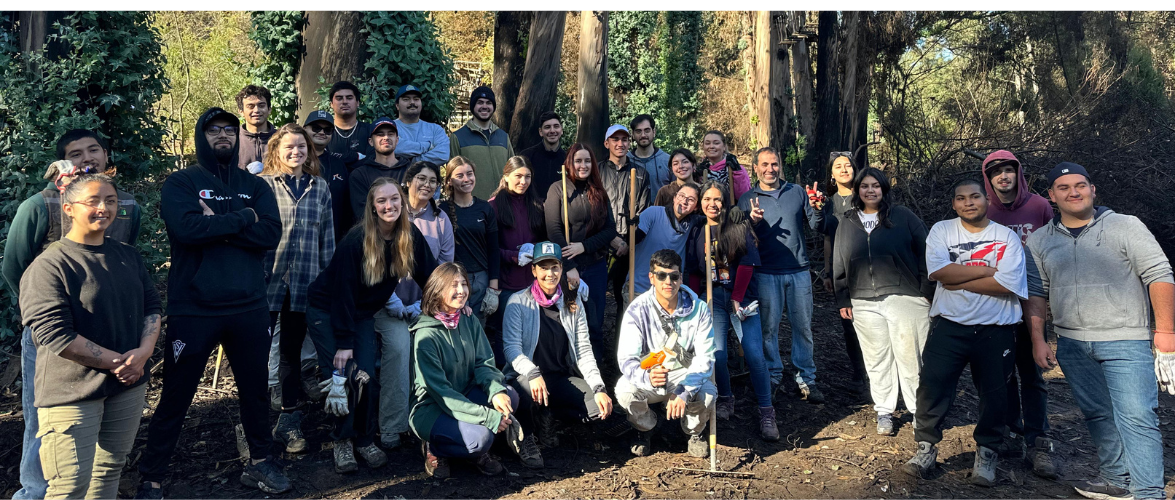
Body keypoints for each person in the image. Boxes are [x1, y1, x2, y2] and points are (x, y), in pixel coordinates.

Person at [137, 107, 289, 497]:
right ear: (200, 136)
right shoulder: (181, 182)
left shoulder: (254, 185)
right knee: (175, 395)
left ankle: (260, 462)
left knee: (255, 390)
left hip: (249, 305)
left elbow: (270, 233)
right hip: (194, 308)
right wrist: (243, 219)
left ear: (236, 136)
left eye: (228, 129)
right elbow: (186, 229)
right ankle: (152, 477)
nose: (222, 135)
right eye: (213, 130)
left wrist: (217, 225)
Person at [3, 129, 142, 500]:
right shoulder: (40, 205)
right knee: (43, 427)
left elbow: (130, 264)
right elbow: (15, 267)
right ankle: (36, 492)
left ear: (106, 154)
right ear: (65, 163)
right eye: (76, 153)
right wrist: (43, 314)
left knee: (103, 446)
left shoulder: (126, 205)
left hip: (112, 337)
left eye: (94, 149)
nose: (87, 157)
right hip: (54, 340)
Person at [1026, 163, 1173, 500]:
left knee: (1137, 416)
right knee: (1098, 414)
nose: (1073, 192)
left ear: (1093, 190)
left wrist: (1166, 333)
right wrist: (1038, 339)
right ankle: (1117, 481)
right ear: (1051, 196)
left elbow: (1159, 275)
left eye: (1080, 185)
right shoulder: (1040, 240)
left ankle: (1149, 492)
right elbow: (1037, 293)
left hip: (1126, 339)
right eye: (1063, 187)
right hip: (1073, 344)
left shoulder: (1125, 226)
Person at [304, 177, 439, 473]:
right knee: (345, 377)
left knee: (367, 377)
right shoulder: (356, 241)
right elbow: (343, 295)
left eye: (394, 199)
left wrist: (452, 300)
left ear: (403, 203)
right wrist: (343, 343)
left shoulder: (408, 235)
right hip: (327, 311)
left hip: (362, 313)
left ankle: (365, 439)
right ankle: (342, 440)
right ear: (373, 207)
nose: (389, 205)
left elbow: (430, 276)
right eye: (382, 201)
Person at [902, 178, 1027, 487]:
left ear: (987, 200)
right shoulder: (942, 231)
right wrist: (986, 270)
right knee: (933, 387)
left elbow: (1007, 284)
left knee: (995, 394)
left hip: (996, 328)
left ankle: (986, 453)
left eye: (974, 197)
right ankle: (926, 448)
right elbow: (939, 273)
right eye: (961, 198)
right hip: (949, 325)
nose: (968, 202)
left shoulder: (1006, 237)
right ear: (954, 204)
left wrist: (957, 279)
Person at [410, 262, 541, 477]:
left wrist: (496, 390)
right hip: (433, 407)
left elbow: (484, 362)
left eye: (464, 284)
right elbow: (442, 393)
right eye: (454, 285)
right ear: (437, 290)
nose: (461, 291)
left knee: (510, 397)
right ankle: (435, 447)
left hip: (466, 393)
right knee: (481, 440)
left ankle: (468, 444)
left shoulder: (468, 319)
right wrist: (487, 417)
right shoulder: (425, 337)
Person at [832, 168, 932, 437]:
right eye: (864, 186)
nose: (870, 190)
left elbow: (926, 251)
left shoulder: (902, 216)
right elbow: (839, 262)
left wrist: (925, 290)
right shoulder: (848, 221)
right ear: (857, 190)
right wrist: (843, 296)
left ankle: (917, 412)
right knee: (876, 358)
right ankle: (885, 411)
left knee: (911, 358)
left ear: (884, 189)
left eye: (876, 185)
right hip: (863, 300)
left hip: (906, 297)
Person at [258, 124, 336, 453]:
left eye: (301, 146)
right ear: (276, 150)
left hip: (304, 283)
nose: (296, 152)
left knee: (290, 352)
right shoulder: (262, 186)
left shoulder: (320, 188)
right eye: (289, 146)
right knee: (256, 352)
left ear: (309, 151)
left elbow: (327, 241)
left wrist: (326, 282)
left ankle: (288, 420)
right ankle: (254, 421)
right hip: (265, 282)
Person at [979, 150, 1057, 477]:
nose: (1003, 177)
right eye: (996, 172)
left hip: (1034, 301)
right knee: (1002, 373)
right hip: (997, 304)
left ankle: (1038, 440)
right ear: (989, 178)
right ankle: (1011, 430)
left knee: (1032, 373)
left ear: (1018, 173)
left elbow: (1056, 248)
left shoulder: (1039, 206)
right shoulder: (981, 208)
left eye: (1008, 170)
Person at [685, 181, 779, 441]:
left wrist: (737, 297)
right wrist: (695, 300)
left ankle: (766, 411)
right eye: (707, 199)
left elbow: (748, 264)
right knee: (717, 354)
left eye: (717, 199)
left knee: (754, 354)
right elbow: (694, 270)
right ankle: (725, 397)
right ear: (700, 202)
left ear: (725, 202)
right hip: (712, 297)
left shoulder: (738, 226)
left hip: (742, 296)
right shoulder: (697, 230)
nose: (712, 204)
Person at [502, 242, 615, 452]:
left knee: (597, 408)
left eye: (555, 267)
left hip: (561, 377)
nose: (550, 273)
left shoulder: (573, 302)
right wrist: (532, 372)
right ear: (534, 270)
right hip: (528, 378)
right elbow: (512, 349)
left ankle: (551, 416)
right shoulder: (517, 302)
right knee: (524, 395)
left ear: (562, 269)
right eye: (543, 267)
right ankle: (527, 434)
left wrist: (599, 387)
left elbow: (583, 349)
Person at [737, 147, 825, 403]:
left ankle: (806, 378)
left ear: (780, 166)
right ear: (756, 168)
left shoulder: (796, 192)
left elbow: (816, 225)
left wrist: (818, 208)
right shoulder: (747, 199)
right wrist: (751, 222)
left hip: (798, 270)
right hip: (765, 272)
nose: (770, 169)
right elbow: (740, 239)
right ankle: (773, 375)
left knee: (803, 328)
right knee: (768, 330)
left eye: (774, 164)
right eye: (764, 164)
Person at [616, 249, 716, 458]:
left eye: (673, 276)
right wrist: (647, 376)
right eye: (661, 275)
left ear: (681, 277)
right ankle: (646, 427)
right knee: (624, 391)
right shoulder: (637, 309)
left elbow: (705, 358)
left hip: (685, 374)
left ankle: (692, 431)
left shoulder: (699, 309)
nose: (667, 281)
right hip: (652, 374)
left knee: (708, 393)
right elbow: (626, 358)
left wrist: (684, 390)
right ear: (651, 277)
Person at [544, 144, 618, 364]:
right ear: (569, 163)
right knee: (569, 318)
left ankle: (595, 370)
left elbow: (610, 230)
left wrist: (584, 246)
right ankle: (567, 367)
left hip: (595, 266)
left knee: (594, 320)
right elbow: (554, 231)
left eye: (587, 161)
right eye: (578, 161)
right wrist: (569, 266)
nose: (583, 165)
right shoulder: (557, 189)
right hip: (567, 268)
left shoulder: (599, 191)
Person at [487, 156, 548, 363]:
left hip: (532, 283)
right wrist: (514, 256)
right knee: (505, 332)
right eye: (518, 176)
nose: (523, 182)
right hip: (506, 283)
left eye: (527, 177)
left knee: (531, 330)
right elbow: (491, 248)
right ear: (506, 177)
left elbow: (544, 239)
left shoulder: (537, 205)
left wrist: (536, 250)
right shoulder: (493, 206)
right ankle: (505, 377)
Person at [818, 152, 868, 394]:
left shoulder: (866, 196)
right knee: (848, 323)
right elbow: (828, 238)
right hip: (841, 271)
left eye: (848, 165)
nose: (844, 169)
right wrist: (827, 272)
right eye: (838, 166)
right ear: (832, 173)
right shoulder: (829, 203)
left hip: (869, 268)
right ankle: (859, 371)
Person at [599, 124, 651, 333]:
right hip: (601, 243)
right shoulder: (597, 172)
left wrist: (629, 242)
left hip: (629, 246)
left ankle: (622, 352)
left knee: (625, 299)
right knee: (596, 296)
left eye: (624, 139)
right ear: (607, 143)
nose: (620, 144)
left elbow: (643, 211)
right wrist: (611, 238)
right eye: (615, 140)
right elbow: (594, 209)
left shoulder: (639, 173)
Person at [439, 156, 501, 319]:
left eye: (470, 174)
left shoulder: (485, 208)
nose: (466, 179)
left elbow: (494, 249)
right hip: (452, 280)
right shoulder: (442, 210)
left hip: (481, 279)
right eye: (460, 176)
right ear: (450, 181)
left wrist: (493, 288)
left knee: (478, 328)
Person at [633, 183, 700, 295]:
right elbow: (635, 238)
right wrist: (631, 229)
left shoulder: (692, 223)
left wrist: (732, 210)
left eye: (691, 199)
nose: (684, 201)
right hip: (639, 288)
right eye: (681, 196)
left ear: (697, 207)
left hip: (670, 291)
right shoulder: (653, 213)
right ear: (674, 198)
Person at [449, 86, 514, 200]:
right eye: (480, 102)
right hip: (473, 205)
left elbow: (512, 171)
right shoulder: (458, 137)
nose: (484, 106)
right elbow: (453, 176)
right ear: (473, 106)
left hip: (503, 204)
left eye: (488, 103)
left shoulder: (503, 136)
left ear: (493, 107)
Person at [349, 118, 412, 220]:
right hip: (373, 233)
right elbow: (363, 214)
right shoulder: (359, 175)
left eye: (390, 134)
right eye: (380, 134)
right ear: (371, 141)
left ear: (397, 140)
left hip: (408, 230)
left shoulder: (411, 171)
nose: (386, 137)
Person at [305, 110, 353, 242]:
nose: (321, 132)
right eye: (316, 128)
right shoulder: (295, 161)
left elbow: (346, 206)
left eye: (327, 130)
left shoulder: (339, 164)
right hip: (301, 237)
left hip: (332, 238)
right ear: (304, 130)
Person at [402, 161, 455, 263]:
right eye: (422, 179)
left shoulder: (441, 219)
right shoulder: (394, 211)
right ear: (408, 181)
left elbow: (445, 263)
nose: (427, 184)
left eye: (432, 181)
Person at [392, 84, 450, 165]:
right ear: (397, 106)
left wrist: (412, 161)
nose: (412, 102)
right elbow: (396, 148)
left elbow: (443, 155)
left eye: (416, 99)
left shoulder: (435, 129)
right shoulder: (390, 127)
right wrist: (428, 146)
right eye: (406, 99)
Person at [518, 111, 566, 198]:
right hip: (532, 209)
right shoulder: (527, 157)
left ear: (561, 130)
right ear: (541, 132)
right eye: (547, 127)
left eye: (556, 126)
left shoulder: (568, 159)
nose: (552, 131)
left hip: (560, 210)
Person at [327, 81, 373, 167]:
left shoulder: (370, 130)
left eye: (349, 98)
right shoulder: (324, 132)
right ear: (331, 104)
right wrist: (356, 156)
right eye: (339, 98)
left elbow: (373, 160)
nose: (344, 102)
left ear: (357, 102)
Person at [627, 114, 672, 197]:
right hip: (634, 210)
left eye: (647, 130)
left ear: (654, 132)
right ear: (632, 134)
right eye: (638, 131)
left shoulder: (668, 161)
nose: (643, 135)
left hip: (663, 209)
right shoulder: (626, 161)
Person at [697, 131, 750, 201]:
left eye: (716, 143)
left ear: (724, 147)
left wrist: (737, 173)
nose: (711, 146)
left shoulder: (735, 169)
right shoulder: (700, 170)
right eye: (707, 143)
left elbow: (744, 196)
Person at [236, 84, 276, 172]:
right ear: (241, 111)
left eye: (261, 105)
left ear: (269, 109)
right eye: (250, 106)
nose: (256, 110)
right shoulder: (233, 140)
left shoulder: (282, 139)